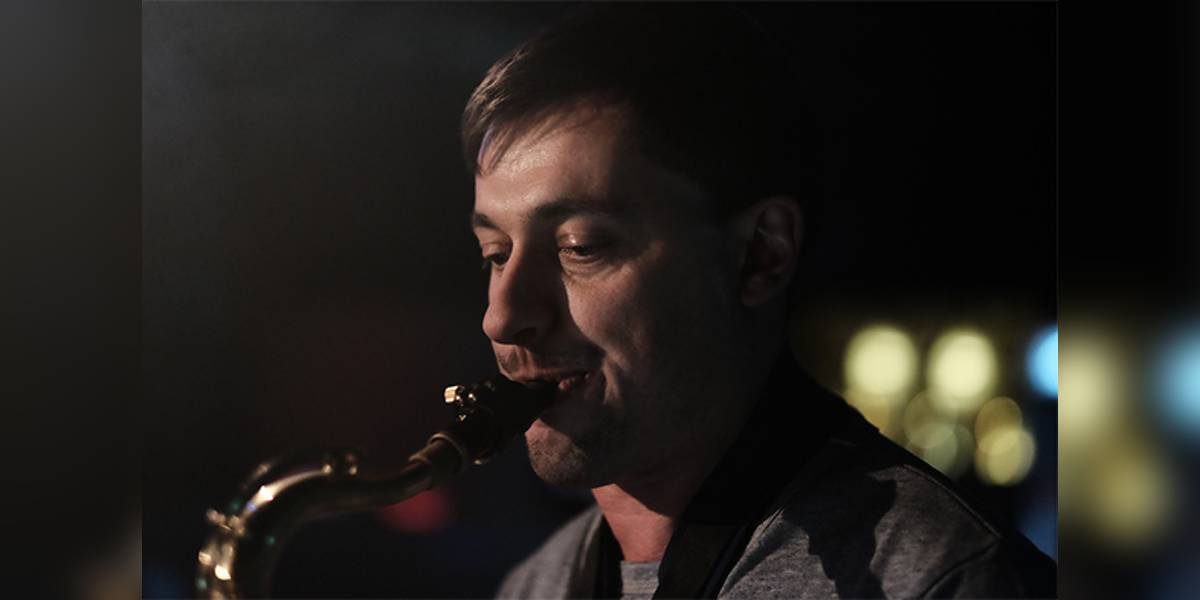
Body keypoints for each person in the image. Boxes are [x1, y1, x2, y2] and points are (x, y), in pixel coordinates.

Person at [463, 4, 1056, 598]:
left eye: (579, 247)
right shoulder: (531, 587)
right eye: (496, 252)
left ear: (760, 255)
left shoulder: (941, 581)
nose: (502, 317)